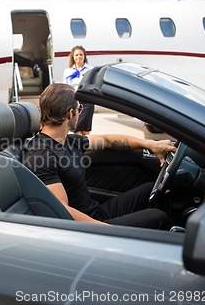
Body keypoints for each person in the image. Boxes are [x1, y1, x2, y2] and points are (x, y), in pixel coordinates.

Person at [23, 83, 175, 229]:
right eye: (79, 108)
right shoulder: (41, 156)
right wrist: (106, 230)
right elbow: (61, 210)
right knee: (157, 217)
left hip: (96, 213)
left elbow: (107, 140)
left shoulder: (69, 141)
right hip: (90, 228)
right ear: (70, 113)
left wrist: (150, 144)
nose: (80, 111)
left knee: (151, 189)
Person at [63, 45, 94, 135]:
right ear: (73, 57)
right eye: (76, 55)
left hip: (87, 100)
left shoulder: (91, 70)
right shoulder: (68, 71)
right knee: (77, 129)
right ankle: (78, 145)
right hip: (74, 100)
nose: (79, 57)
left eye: (81, 54)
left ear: (84, 56)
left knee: (85, 130)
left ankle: (87, 146)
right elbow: (66, 86)